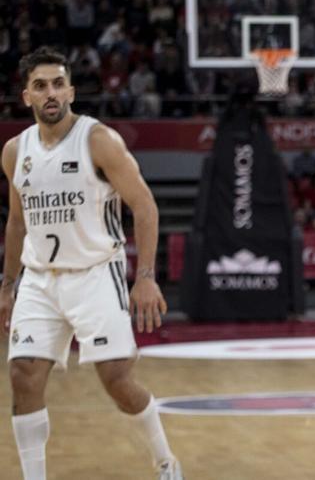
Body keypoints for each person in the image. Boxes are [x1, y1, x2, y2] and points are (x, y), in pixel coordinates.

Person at [1, 47, 183, 480]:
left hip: (96, 274)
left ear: (71, 91)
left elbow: (144, 206)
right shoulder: (14, 151)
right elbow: (16, 221)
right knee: (23, 376)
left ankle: (165, 462)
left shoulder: (98, 141)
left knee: (118, 382)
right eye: (41, 86)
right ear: (26, 95)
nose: (51, 93)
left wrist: (145, 278)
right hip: (40, 279)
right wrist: (8, 284)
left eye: (58, 84)